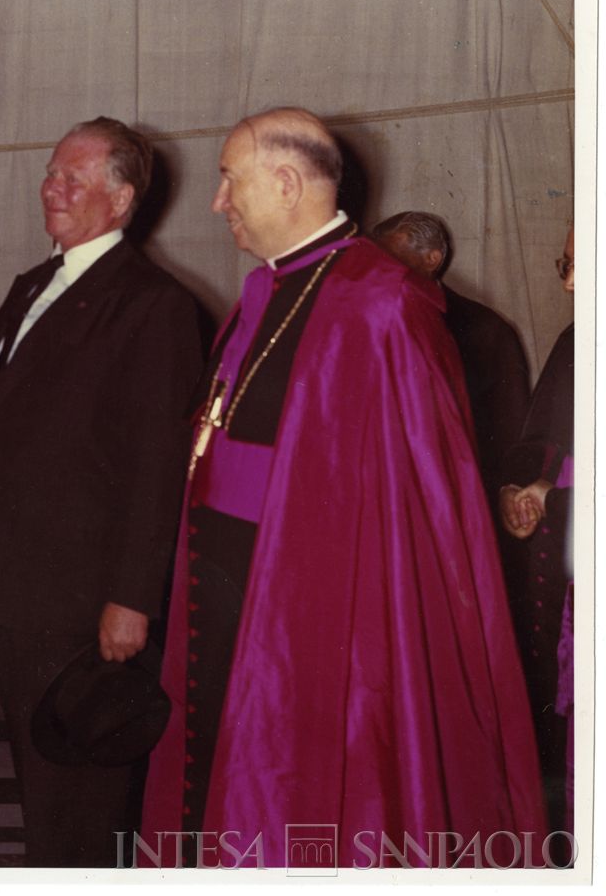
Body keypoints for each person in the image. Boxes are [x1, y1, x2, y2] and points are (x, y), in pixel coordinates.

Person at [140, 109, 546, 868]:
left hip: (326, 610)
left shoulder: (380, 300)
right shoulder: (263, 290)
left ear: (286, 183)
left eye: (230, 180)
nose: (217, 201)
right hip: (227, 581)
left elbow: (419, 501)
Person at [0, 117, 202, 867]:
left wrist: (131, 596)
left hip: (82, 600)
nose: (51, 188)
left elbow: (160, 465)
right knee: (41, 779)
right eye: (51, 173)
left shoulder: (154, 305)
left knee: (81, 795)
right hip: (10, 591)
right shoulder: (35, 283)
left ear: (121, 199)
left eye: (73, 178)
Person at [499, 224, 575, 852]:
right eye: (565, 261)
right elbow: (535, 445)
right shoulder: (579, 340)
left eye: (585, 264)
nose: (569, 282)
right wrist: (515, 493)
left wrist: (560, 501)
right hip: (566, 582)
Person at [372, 210, 530, 492]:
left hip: (463, 490)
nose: (381, 271)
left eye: (392, 261)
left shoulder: (486, 330)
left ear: (432, 259)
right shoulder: (371, 322)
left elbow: (510, 434)